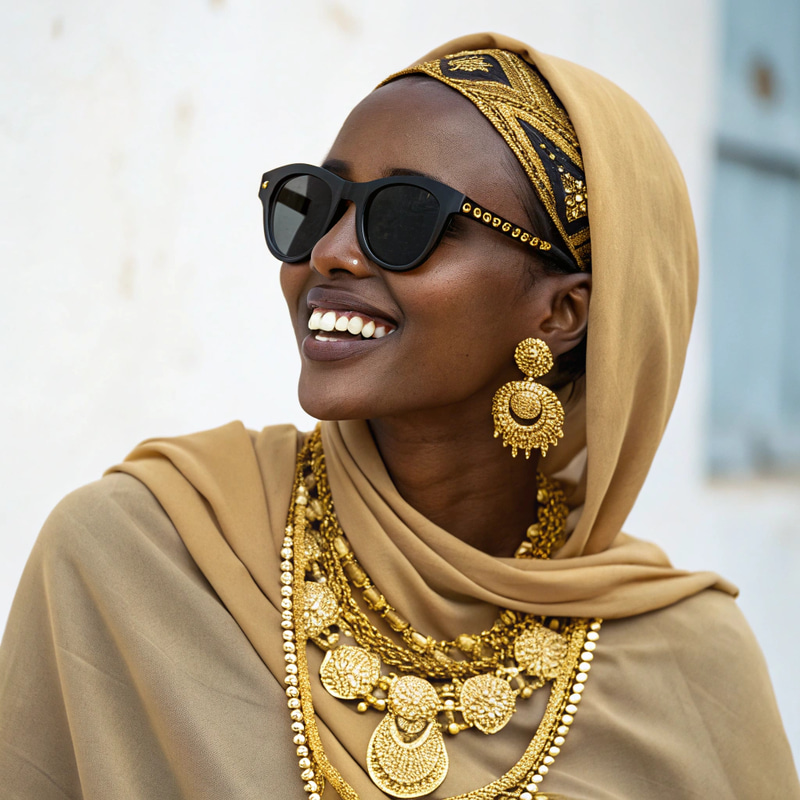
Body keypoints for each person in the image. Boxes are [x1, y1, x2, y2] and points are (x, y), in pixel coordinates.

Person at [1, 31, 797, 800]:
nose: (330, 253)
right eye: (312, 204)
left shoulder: (690, 667)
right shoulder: (139, 560)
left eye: (405, 219)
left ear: (561, 313)